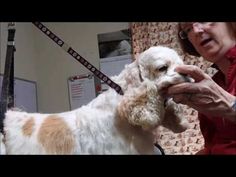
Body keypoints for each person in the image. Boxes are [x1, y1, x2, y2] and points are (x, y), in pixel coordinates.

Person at [167, 22, 236, 154]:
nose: (196, 31)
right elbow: (216, 146)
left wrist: (229, 105)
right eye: (188, 29)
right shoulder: (214, 83)